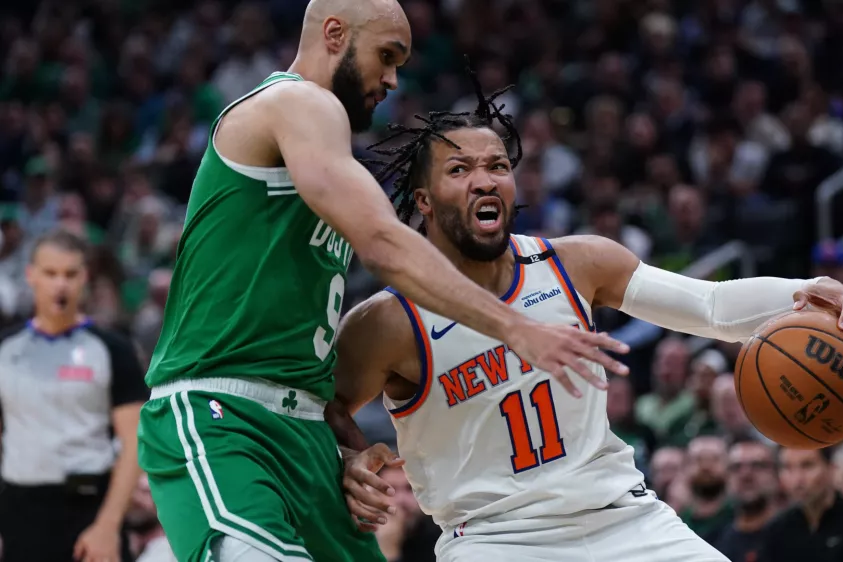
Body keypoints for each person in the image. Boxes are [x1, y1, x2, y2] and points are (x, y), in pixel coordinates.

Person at [135, 1, 629, 561]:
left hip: (301, 431)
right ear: (335, 33)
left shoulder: (323, 149)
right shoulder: (296, 102)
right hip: (224, 415)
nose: (393, 79)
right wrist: (515, 327)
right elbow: (384, 243)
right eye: (386, 56)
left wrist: (345, 448)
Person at [329, 75, 843, 561]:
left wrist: (806, 292)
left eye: (498, 165)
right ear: (423, 200)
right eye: (460, 169)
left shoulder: (575, 263)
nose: (485, 179)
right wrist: (350, 456)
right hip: (495, 538)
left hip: (623, 515)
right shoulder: (387, 322)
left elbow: (709, 307)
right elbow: (319, 408)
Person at [0, 230, 147, 562]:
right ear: (31, 275)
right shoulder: (5, 351)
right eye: (51, 274)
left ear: (85, 278)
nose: (60, 285)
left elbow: (135, 442)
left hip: (90, 508)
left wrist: (108, 525)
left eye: (70, 274)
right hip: (20, 510)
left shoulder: (114, 350)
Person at [759, 447, 843, 562]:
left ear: (831, 469)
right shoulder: (776, 530)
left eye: (807, 466)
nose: (797, 480)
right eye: (787, 467)